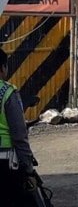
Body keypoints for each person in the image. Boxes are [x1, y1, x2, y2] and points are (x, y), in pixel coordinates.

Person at [0, 48, 37, 206]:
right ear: (3, 68)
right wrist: (29, 170)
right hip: (5, 167)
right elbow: (19, 136)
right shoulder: (7, 92)